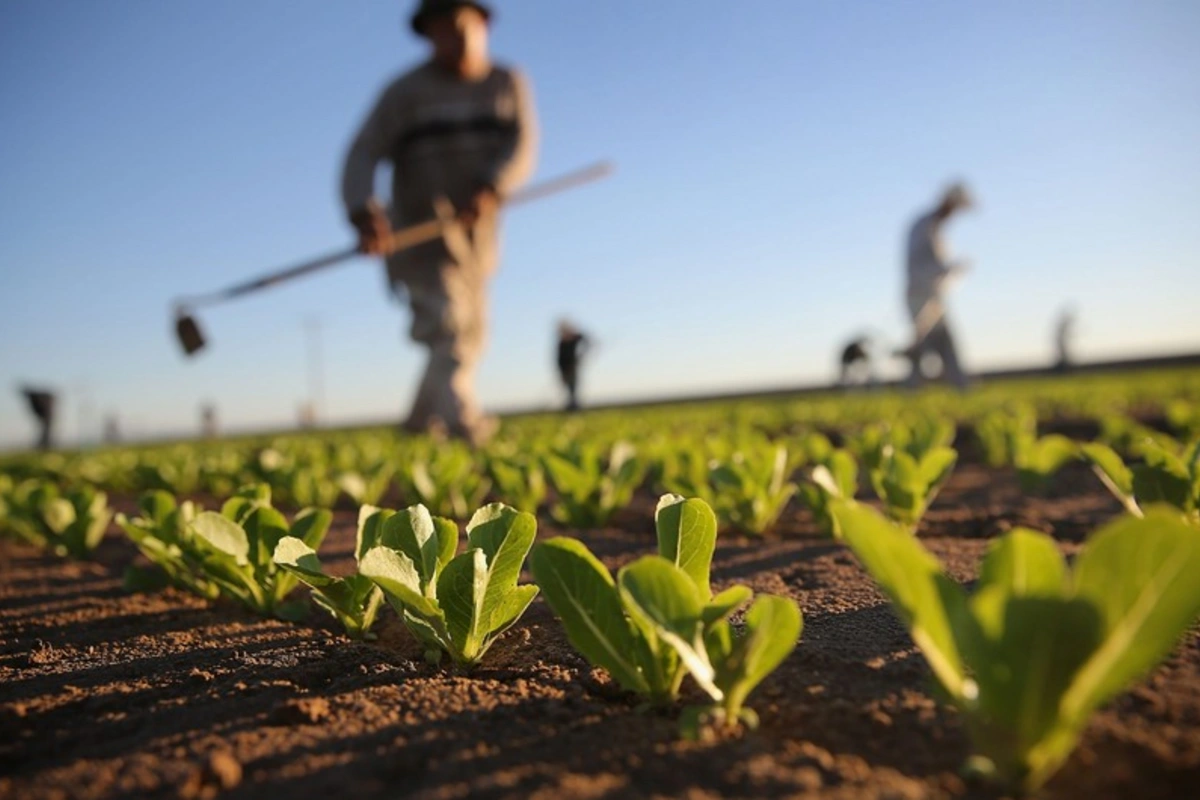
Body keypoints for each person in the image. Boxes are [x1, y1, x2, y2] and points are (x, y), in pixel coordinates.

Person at [341, 0, 538, 445]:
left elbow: (522, 145)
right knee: (447, 326)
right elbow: (363, 152)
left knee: (470, 334)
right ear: (427, 35)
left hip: (478, 238)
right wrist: (361, 209)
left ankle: (416, 425)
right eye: (442, 30)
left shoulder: (507, 83)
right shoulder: (404, 93)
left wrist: (493, 185)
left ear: (483, 24)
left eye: (462, 26)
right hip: (419, 233)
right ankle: (465, 426)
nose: (455, 38)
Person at [900, 182, 974, 389]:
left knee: (945, 343)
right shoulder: (924, 226)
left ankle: (961, 387)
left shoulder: (936, 228)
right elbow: (922, 264)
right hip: (920, 296)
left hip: (934, 297)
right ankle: (912, 390)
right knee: (923, 346)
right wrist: (951, 268)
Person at [556, 320, 590, 411]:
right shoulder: (561, 343)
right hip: (565, 370)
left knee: (574, 387)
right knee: (569, 389)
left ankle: (574, 406)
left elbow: (586, 340)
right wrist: (562, 373)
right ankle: (571, 405)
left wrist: (582, 354)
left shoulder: (574, 338)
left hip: (573, 367)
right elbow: (559, 360)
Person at [1054, 306, 1076, 372]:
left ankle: (1066, 368)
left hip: (1061, 343)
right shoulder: (1062, 325)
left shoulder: (1062, 325)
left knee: (1065, 355)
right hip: (1061, 343)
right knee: (1064, 355)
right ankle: (1064, 369)